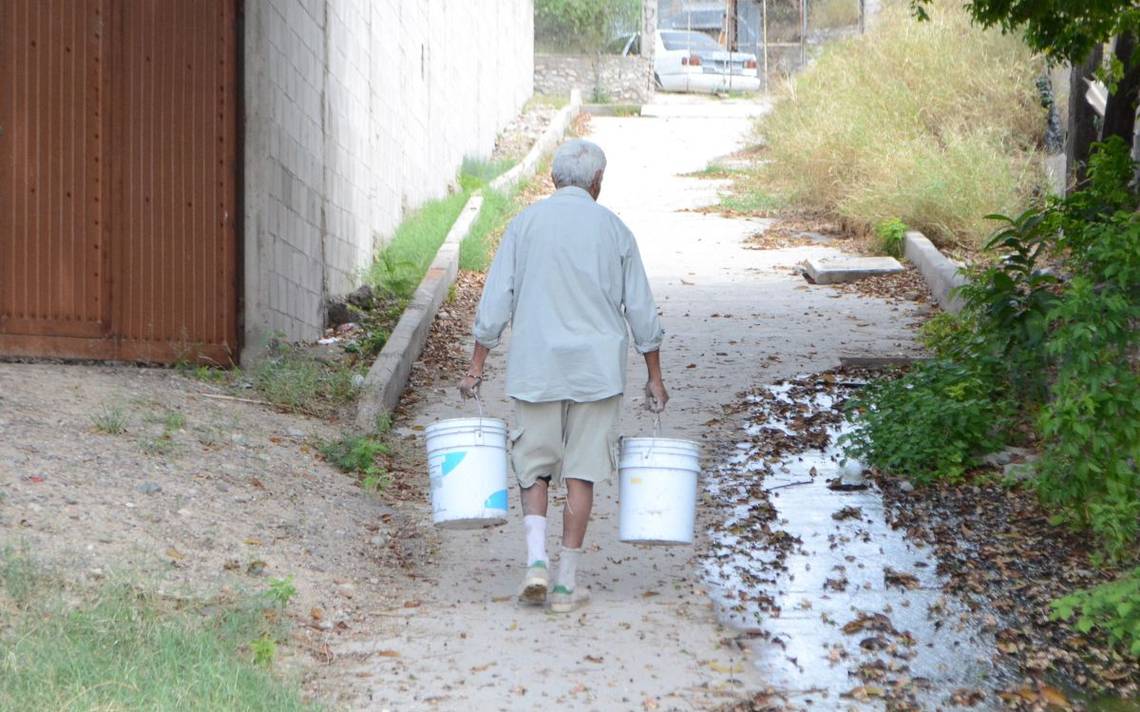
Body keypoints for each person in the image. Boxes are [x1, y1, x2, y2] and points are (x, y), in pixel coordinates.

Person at [458, 139, 668, 613]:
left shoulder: (524, 225)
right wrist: (654, 376)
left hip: (537, 366)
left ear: (554, 179)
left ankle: (536, 563)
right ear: (598, 182)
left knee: (533, 465)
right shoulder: (616, 231)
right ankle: (566, 585)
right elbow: (641, 310)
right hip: (597, 371)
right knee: (581, 471)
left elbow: (496, 301)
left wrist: (477, 365)